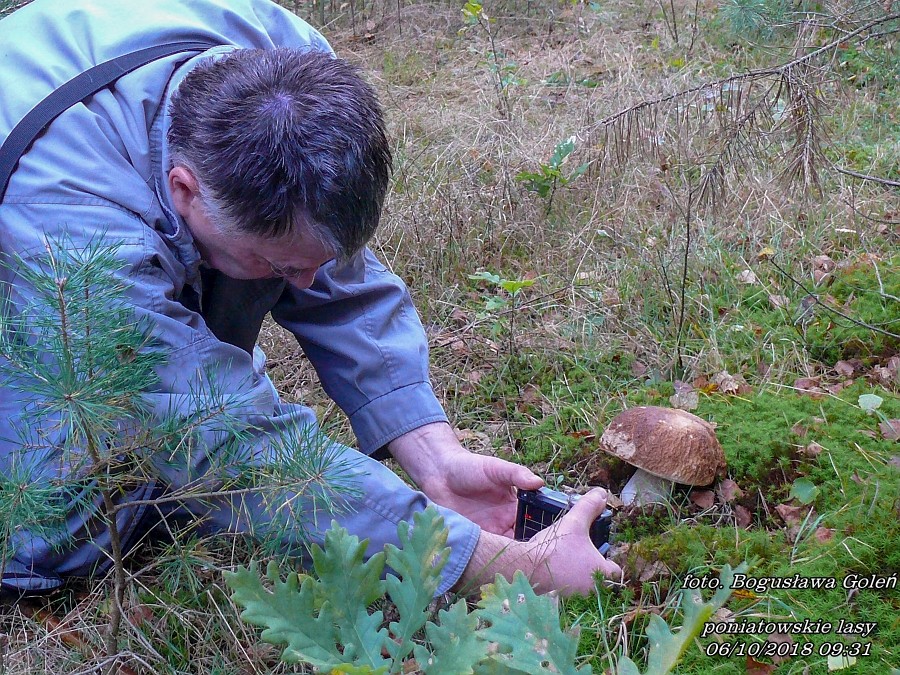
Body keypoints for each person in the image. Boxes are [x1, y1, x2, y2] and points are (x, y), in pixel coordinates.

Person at [0, 0, 620, 597]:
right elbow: (218, 431)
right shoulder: (69, 218)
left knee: (269, 259)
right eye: (281, 267)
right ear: (184, 188)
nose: (303, 284)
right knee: (56, 534)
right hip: (31, 253)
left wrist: (436, 459)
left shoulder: (291, 71)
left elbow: (339, 278)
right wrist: (490, 563)